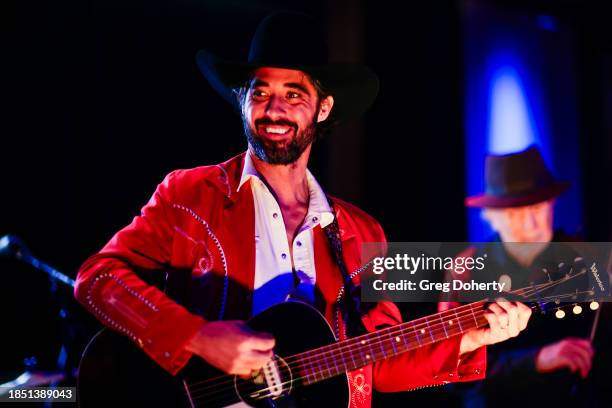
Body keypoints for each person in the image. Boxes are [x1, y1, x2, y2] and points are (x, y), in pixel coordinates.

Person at [74, 12, 531, 407]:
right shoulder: (191, 194)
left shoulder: (360, 233)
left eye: (294, 94)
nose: (275, 109)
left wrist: (473, 335)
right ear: (242, 101)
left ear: (324, 108)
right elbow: (97, 280)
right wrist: (197, 337)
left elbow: (379, 365)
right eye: (260, 92)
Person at [440, 146, 600, 407]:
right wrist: (538, 359)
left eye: (538, 208)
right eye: (515, 214)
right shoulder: (466, 269)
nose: (531, 225)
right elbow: (454, 368)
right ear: (491, 218)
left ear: (552, 204)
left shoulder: (587, 256)